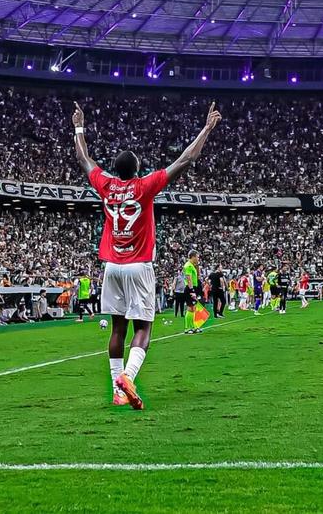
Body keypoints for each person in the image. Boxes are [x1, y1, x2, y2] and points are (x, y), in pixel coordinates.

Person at [73, 99, 221, 411]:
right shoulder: (145, 186)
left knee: (116, 329)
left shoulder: (107, 186)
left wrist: (79, 127)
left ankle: (117, 390)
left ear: (116, 170)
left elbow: (85, 160)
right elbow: (185, 160)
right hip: (138, 265)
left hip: (111, 266)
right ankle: (127, 377)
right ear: (138, 170)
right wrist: (206, 129)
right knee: (144, 328)